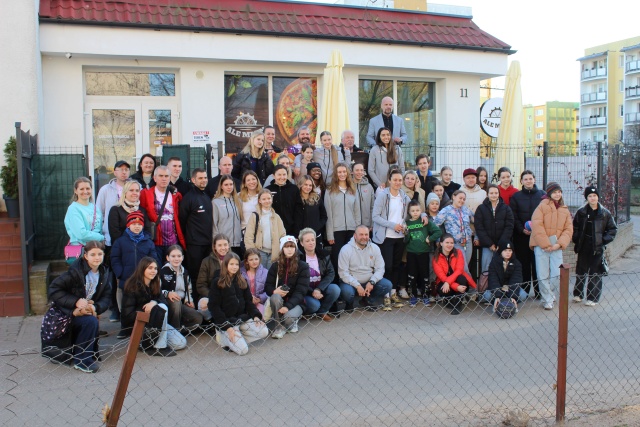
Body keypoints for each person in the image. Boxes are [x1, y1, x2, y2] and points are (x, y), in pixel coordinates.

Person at [43, 241, 111, 373]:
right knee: (90, 322)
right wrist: (75, 301)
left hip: (85, 311)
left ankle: (85, 354)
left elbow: (106, 297)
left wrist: (95, 307)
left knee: (91, 320)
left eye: (100, 254)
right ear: (85, 256)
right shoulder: (75, 271)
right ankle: (82, 361)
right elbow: (54, 289)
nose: (97, 257)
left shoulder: (104, 272)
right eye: (93, 254)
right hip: (64, 313)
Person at [372, 169, 424, 307]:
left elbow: (415, 208)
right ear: (389, 180)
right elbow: (375, 216)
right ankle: (385, 295)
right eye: (395, 180)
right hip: (386, 237)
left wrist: (423, 215)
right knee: (386, 266)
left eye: (400, 180)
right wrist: (392, 225)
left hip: (400, 237)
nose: (397, 182)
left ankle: (393, 293)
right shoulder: (383, 196)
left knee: (396, 266)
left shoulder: (403, 196)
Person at [121, 257, 187, 357]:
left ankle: (149, 342)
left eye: (155, 268)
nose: (153, 271)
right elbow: (127, 316)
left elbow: (163, 300)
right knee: (161, 308)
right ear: (142, 269)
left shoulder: (155, 283)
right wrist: (149, 312)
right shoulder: (132, 286)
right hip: (140, 325)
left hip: (157, 322)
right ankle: (159, 346)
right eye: (150, 268)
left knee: (181, 343)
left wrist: (154, 302)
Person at [208, 252, 269, 355]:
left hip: (242, 318)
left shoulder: (242, 281)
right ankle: (223, 337)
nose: (234, 267)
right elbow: (214, 307)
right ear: (225, 265)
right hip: (227, 322)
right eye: (231, 264)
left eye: (236, 264)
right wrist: (227, 327)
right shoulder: (217, 282)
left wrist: (255, 315)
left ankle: (239, 338)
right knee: (243, 350)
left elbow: (248, 302)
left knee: (264, 331)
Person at [529, 182, 573, 310]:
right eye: (554, 192)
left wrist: (559, 244)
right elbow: (537, 226)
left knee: (557, 274)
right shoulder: (541, 207)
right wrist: (545, 244)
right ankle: (547, 299)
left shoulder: (564, 209)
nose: (557, 194)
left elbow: (568, 229)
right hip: (541, 246)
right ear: (549, 193)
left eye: (559, 191)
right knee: (542, 274)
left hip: (557, 247)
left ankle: (550, 293)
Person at [572, 186, 617, 306]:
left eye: (594, 196)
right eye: (590, 196)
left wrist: (602, 240)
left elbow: (612, 230)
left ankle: (593, 297)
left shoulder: (605, 213)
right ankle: (578, 294)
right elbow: (575, 227)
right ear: (587, 198)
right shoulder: (581, 212)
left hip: (597, 247)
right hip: (583, 245)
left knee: (595, 272)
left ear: (598, 197)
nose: (592, 198)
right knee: (581, 270)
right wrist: (576, 239)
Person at [110, 211, 160, 321]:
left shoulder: (148, 242)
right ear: (128, 225)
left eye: (139, 224)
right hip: (126, 278)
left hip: (143, 279)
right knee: (125, 306)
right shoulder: (120, 241)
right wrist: (120, 273)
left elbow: (154, 259)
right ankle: (124, 328)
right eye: (133, 224)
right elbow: (115, 259)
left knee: (141, 304)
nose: (137, 226)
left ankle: (141, 326)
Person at [265, 236, 310, 339]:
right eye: (286, 247)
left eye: (292, 246)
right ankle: (278, 327)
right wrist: (274, 290)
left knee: (288, 317)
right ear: (282, 249)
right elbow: (267, 286)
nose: (289, 249)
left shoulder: (303, 267)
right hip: (279, 301)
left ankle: (291, 322)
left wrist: (287, 306)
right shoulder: (275, 266)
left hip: (295, 303)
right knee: (275, 297)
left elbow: (301, 292)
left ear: (295, 248)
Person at [338, 225, 393, 311]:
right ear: (355, 236)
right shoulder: (345, 250)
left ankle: (367, 301)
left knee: (387, 285)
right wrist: (357, 285)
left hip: (369, 281)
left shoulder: (375, 248)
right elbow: (343, 273)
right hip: (351, 283)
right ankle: (349, 303)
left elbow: (380, 269)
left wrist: (372, 282)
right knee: (347, 292)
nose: (364, 237)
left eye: (366, 234)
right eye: (361, 234)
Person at [509, 170, 545, 299]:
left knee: (538, 264)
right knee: (523, 265)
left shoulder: (543, 196)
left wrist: (537, 230)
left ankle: (539, 292)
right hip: (521, 237)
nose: (528, 181)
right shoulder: (516, 197)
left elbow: (545, 215)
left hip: (538, 237)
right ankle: (524, 292)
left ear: (534, 180)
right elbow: (514, 216)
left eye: (530, 178)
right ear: (522, 181)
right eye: (526, 179)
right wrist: (521, 229)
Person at [140, 165, 186, 261]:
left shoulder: (176, 195)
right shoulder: (146, 194)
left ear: (170, 178)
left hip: (173, 241)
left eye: (166, 176)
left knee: (172, 269)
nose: (164, 179)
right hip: (155, 241)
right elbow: (142, 215)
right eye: (161, 176)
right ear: (155, 178)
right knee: (156, 270)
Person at [325, 162, 361, 274]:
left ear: (348, 173)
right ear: (336, 174)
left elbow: (357, 212)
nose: (342, 174)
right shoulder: (329, 191)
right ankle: (337, 284)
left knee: (351, 258)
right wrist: (330, 234)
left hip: (351, 230)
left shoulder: (352, 190)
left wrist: (357, 231)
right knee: (337, 259)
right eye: (339, 172)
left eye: (344, 172)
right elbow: (328, 214)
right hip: (337, 231)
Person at [178, 168, 212, 286]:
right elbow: (182, 220)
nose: (204, 180)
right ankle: (195, 301)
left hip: (207, 243)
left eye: (205, 177)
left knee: (206, 275)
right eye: (200, 178)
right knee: (195, 275)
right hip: (194, 245)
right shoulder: (189, 198)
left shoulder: (206, 196)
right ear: (193, 180)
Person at [405, 200, 442, 307]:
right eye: (413, 211)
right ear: (409, 212)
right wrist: (406, 233)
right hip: (411, 253)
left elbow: (438, 231)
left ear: (421, 211)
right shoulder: (407, 223)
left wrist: (430, 239)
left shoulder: (425, 222)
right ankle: (413, 296)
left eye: (417, 210)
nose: (415, 212)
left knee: (425, 275)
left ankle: (426, 296)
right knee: (412, 275)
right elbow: (405, 241)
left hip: (424, 253)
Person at [299, 228, 340, 322]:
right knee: (314, 305)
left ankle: (322, 311)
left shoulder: (324, 254)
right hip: (306, 291)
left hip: (321, 288)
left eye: (313, 240)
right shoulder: (299, 258)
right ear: (302, 243)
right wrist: (312, 291)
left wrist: (318, 289)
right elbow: (299, 280)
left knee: (335, 289)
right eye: (307, 241)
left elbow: (331, 273)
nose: (311, 243)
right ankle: (307, 313)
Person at [160, 245, 203, 330]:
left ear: (183, 257)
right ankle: (174, 331)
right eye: (173, 256)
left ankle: (178, 330)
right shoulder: (162, 271)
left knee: (198, 318)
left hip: (181, 303)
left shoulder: (185, 272)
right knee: (176, 302)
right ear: (167, 258)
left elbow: (188, 290)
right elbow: (156, 290)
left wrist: (188, 300)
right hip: (168, 303)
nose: (176, 259)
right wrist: (168, 293)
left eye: (179, 256)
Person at [432, 234, 477, 315]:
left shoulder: (458, 252)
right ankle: (449, 299)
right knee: (443, 287)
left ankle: (458, 304)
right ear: (441, 243)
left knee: (461, 279)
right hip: (444, 282)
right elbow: (441, 276)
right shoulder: (436, 257)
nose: (449, 245)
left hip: (454, 280)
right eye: (447, 242)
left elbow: (459, 270)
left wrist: (449, 282)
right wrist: (456, 287)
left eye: (452, 243)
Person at [474, 184, 515, 273]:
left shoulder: (506, 208)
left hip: (502, 246)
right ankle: (486, 287)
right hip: (487, 245)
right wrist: (490, 244)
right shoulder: (481, 208)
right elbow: (479, 227)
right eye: (491, 193)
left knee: (502, 269)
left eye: (496, 193)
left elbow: (509, 226)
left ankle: (500, 287)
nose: (494, 195)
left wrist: (501, 243)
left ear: (499, 194)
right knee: (486, 268)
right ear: (487, 194)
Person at [244, 189, 286, 268]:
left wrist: (279, 251)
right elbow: (248, 236)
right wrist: (253, 253)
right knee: (260, 276)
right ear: (259, 201)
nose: (267, 201)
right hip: (259, 252)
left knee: (271, 277)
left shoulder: (277, 217)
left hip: (274, 254)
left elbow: (282, 235)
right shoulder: (254, 216)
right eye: (264, 199)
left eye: (269, 198)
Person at [434, 190, 474, 270]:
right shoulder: (446, 210)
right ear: (454, 197)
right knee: (463, 268)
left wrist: (476, 237)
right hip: (455, 243)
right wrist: (438, 239)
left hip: (468, 243)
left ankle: (460, 282)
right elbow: (435, 225)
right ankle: (469, 282)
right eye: (460, 198)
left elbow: (477, 221)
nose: (462, 200)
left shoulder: (466, 210)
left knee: (465, 267)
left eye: (464, 199)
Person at [96, 160, 130, 247]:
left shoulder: (135, 188)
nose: (124, 172)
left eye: (126, 169)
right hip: (110, 236)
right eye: (121, 169)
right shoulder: (105, 190)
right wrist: (101, 235)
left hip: (131, 235)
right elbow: (98, 213)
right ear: (115, 172)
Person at [485, 240, 527, 310]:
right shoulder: (494, 263)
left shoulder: (516, 263)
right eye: (505, 250)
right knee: (487, 295)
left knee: (523, 295)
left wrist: (513, 296)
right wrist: (497, 295)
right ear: (500, 251)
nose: (508, 253)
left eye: (510, 250)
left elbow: (516, 280)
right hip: (498, 288)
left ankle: (510, 302)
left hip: (509, 289)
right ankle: (497, 302)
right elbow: (493, 279)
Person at [196, 234, 231, 318]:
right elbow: (201, 286)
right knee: (202, 305)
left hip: (229, 297)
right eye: (219, 245)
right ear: (214, 246)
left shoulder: (234, 260)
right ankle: (211, 322)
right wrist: (214, 296)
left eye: (225, 245)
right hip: (211, 296)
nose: (223, 248)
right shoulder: (206, 261)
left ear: (229, 245)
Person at [108, 180, 153, 245]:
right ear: (125, 192)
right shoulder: (115, 210)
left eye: (137, 190)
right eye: (131, 190)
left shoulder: (142, 210)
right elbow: (115, 234)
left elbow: (148, 231)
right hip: (122, 248)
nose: (135, 193)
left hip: (140, 247)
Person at [64, 177, 104, 246]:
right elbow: (81, 234)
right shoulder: (73, 209)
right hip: (81, 250)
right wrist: (101, 238)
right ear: (75, 191)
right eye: (81, 189)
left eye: (88, 188)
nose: (85, 191)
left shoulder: (95, 208)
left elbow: (100, 229)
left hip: (96, 247)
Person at [267, 164, 304, 237]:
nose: (282, 177)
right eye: (279, 175)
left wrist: (296, 232)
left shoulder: (293, 189)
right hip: (273, 230)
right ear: (274, 176)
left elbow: (298, 211)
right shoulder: (268, 190)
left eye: (284, 174)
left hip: (291, 230)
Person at [212, 174, 243, 254]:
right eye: (226, 185)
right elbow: (214, 225)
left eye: (231, 184)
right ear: (221, 186)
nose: (229, 187)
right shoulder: (216, 202)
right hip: (223, 245)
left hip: (237, 243)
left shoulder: (238, 201)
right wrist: (217, 243)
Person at [298, 175, 327, 243]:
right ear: (301, 185)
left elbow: (324, 216)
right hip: (301, 237)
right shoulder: (296, 200)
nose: (308, 187)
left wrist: (317, 226)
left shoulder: (317, 198)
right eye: (305, 184)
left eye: (310, 185)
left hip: (316, 236)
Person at [240, 248, 269, 314]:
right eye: (251, 260)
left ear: (259, 259)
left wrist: (260, 299)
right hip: (246, 302)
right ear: (246, 261)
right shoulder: (241, 273)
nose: (254, 262)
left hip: (259, 302)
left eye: (256, 259)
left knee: (260, 316)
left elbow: (269, 291)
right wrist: (249, 297)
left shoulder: (265, 272)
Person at [353, 163, 374, 229]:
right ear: (352, 171)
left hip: (366, 225)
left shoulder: (369, 187)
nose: (359, 172)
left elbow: (372, 206)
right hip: (352, 226)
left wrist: (372, 223)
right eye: (357, 170)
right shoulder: (348, 186)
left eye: (361, 170)